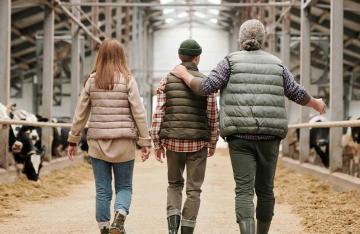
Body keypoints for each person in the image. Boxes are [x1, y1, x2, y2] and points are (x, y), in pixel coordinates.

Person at [171, 20, 326, 234]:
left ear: (241, 38)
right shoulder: (276, 64)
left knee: (244, 191)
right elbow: (296, 92)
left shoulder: (230, 62)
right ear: (262, 39)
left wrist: (185, 74)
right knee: (265, 190)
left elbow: (206, 87)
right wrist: (316, 103)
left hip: (240, 136)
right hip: (270, 137)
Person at [67, 39, 152, 234]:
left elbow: (81, 113)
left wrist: (73, 139)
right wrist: (145, 141)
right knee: (124, 187)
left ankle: (104, 228)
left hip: (98, 144)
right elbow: (139, 111)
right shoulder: (128, 80)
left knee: (102, 190)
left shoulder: (92, 80)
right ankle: (120, 214)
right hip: (124, 144)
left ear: (100, 56)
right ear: (122, 56)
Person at [151, 39, 219, 234]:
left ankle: (172, 228)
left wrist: (157, 142)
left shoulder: (167, 79)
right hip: (198, 142)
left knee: (174, 184)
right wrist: (213, 141)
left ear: (180, 57)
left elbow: (159, 113)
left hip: (172, 141)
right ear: (197, 58)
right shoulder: (205, 82)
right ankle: (187, 230)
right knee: (194, 189)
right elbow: (213, 114)